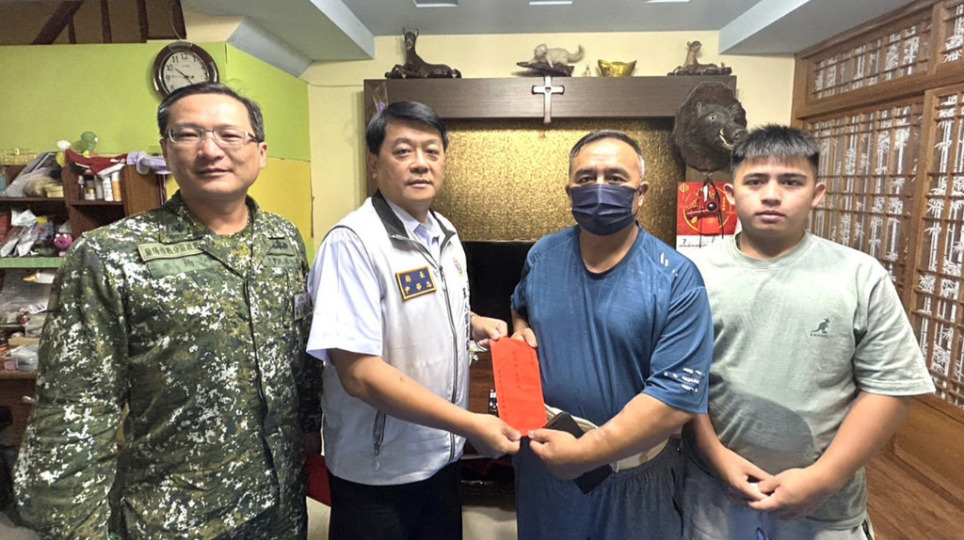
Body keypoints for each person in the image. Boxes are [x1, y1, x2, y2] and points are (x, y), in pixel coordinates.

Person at [15, 82, 322, 539]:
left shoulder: (283, 240)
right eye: (188, 134)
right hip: (176, 517)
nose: (210, 150)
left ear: (260, 153)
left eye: (229, 135)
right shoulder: (110, 254)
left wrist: (316, 432)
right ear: (166, 151)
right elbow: (72, 411)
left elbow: (302, 360)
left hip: (280, 507)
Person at [681, 125, 936, 540]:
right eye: (755, 181)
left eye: (791, 182)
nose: (771, 195)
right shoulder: (690, 275)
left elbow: (891, 388)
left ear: (817, 193)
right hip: (714, 496)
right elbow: (680, 382)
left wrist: (824, 477)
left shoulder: (858, 275)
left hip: (826, 507)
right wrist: (716, 457)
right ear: (730, 194)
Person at [306, 101, 521, 540]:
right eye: (403, 151)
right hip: (379, 471)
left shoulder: (445, 233)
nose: (420, 163)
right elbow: (359, 374)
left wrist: (472, 321)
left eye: (431, 151)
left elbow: (418, 309)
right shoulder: (353, 243)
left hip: (440, 457)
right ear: (374, 163)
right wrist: (469, 424)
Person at [510, 129, 715, 540]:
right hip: (546, 471)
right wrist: (520, 331)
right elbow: (521, 305)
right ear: (570, 191)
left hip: (634, 479)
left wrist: (584, 454)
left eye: (616, 178)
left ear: (641, 193)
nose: (600, 188)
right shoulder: (543, 255)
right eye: (586, 178)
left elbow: (674, 401)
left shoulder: (677, 278)